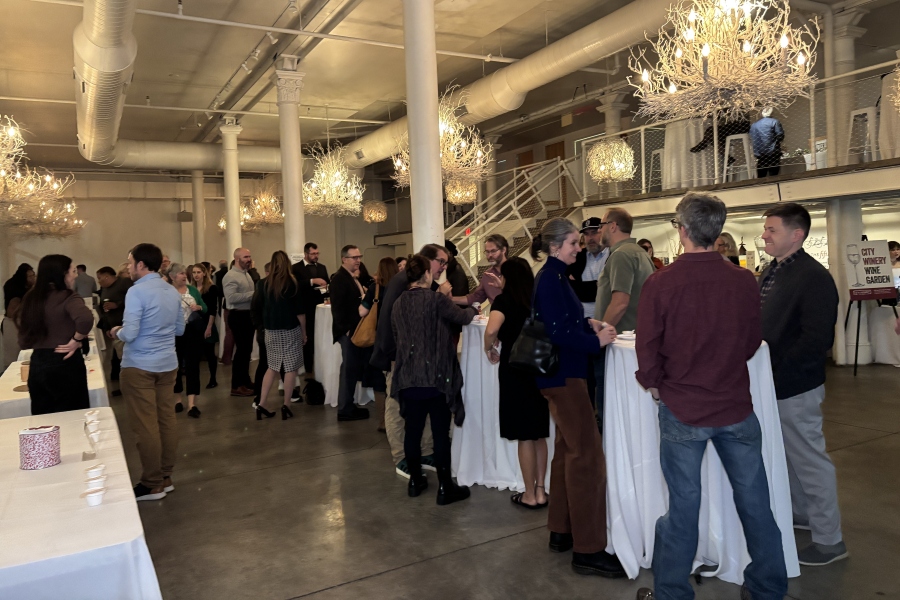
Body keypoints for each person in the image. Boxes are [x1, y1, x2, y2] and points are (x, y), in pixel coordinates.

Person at [634, 192, 787, 600]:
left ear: (682, 230)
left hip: (683, 408)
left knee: (684, 506)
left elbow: (647, 347)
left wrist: (654, 382)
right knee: (755, 502)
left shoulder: (660, 282)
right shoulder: (742, 280)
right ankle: (768, 588)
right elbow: (751, 341)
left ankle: (671, 592)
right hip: (734, 404)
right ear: (717, 232)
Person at [529, 218, 622, 578]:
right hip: (565, 376)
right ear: (555, 246)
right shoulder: (551, 279)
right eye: (572, 243)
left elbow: (563, 323)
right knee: (587, 458)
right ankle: (589, 549)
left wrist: (588, 326)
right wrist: (593, 341)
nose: (578, 248)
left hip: (560, 375)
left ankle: (562, 530)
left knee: (568, 452)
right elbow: (555, 332)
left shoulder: (554, 276)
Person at [759, 202, 846, 566]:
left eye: (772, 230)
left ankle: (830, 540)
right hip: (772, 383)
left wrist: (778, 371)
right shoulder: (773, 271)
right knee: (790, 456)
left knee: (809, 460)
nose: (764, 235)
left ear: (796, 235)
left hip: (795, 385)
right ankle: (804, 514)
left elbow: (816, 339)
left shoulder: (813, 277)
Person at [391, 254, 477, 505]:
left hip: (408, 377)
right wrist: (474, 308)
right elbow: (462, 318)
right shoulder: (436, 299)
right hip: (436, 378)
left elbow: (398, 337)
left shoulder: (398, 303)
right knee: (440, 433)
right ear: (427, 274)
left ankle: (415, 482)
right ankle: (445, 487)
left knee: (412, 431)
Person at [110, 243, 184, 501]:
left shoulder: (136, 291)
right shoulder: (171, 290)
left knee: (146, 425)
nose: (129, 267)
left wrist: (116, 331)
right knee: (166, 420)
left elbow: (130, 333)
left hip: (139, 365)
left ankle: (152, 483)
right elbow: (180, 329)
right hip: (167, 364)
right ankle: (165, 476)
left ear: (141, 264)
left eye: (131, 263)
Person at [372, 244, 452, 477]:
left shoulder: (427, 284)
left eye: (446, 263)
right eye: (441, 262)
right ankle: (400, 457)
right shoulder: (401, 281)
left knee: (423, 406)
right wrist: (394, 356)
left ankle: (424, 452)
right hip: (398, 357)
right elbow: (388, 322)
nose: (443, 268)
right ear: (427, 261)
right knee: (396, 406)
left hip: (418, 360)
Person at [484, 257, 549, 510]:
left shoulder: (504, 300)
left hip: (514, 370)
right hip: (539, 368)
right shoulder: (537, 300)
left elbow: (491, 329)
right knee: (539, 433)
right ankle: (541, 491)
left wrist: (488, 347)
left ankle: (529, 494)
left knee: (524, 435)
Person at [593, 207, 655, 430]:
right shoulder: (640, 253)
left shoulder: (621, 255)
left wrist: (601, 332)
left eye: (601, 226)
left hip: (618, 343)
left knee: (610, 410)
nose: (599, 231)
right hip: (634, 343)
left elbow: (620, 302)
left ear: (612, 226)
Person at [16, 255, 93, 415]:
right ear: (62, 273)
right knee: (73, 416)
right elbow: (85, 318)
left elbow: (21, 328)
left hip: (38, 361)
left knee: (43, 417)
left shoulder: (31, 297)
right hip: (65, 360)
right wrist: (76, 339)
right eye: (72, 271)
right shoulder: (67, 296)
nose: (75, 276)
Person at [252, 251, 307, 421]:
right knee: (291, 368)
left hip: (270, 330)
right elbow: (300, 312)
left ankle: (262, 403)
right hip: (290, 329)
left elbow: (258, 307)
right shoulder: (292, 283)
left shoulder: (263, 284)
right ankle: (286, 405)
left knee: (272, 367)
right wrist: (304, 332)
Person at [330, 245, 372, 422]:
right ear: (344, 259)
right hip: (349, 332)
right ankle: (345, 409)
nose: (358, 260)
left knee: (351, 369)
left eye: (359, 256)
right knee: (349, 370)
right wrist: (347, 330)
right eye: (354, 257)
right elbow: (338, 309)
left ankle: (348, 405)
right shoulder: (340, 279)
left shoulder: (351, 277)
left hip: (354, 330)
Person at [359, 257, 399, 432]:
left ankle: (383, 421)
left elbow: (362, 311)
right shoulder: (401, 287)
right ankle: (397, 419)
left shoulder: (375, 288)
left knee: (378, 383)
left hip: (377, 339)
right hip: (397, 339)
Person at [169, 263, 207, 418]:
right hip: (174, 333)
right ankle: (177, 399)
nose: (184, 276)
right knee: (175, 366)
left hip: (192, 332)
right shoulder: (167, 292)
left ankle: (192, 403)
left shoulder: (192, 290)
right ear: (172, 276)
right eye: (181, 273)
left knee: (193, 366)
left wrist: (199, 307)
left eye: (185, 273)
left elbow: (205, 307)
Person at [222, 248, 256, 397]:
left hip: (247, 315)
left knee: (246, 350)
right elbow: (231, 298)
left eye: (249, 256)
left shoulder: (246, 274)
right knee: (241, 351)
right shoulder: (230, 276)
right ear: (237, 259)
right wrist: (254, 294)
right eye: (245, 257)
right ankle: (236, 385)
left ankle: (245, 380)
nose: (249, 259)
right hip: (238, 316)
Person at [293, 242, 329, 375]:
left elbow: (327, 282)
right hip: (304, 307)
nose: (316, 256)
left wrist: (326, 288)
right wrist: (312, 281)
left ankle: (320, 363)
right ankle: (308, 367)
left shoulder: (322, 267)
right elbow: (294, 285)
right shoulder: (296, 268)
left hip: (320, 306)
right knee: (307, 336)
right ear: (306, 254)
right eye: (313, 253)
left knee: (320, 335)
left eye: (317, 253)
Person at [96, 265, 132, 395]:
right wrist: (106, 326)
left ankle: (130, 387)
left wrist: (117, 304)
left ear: (107, 276)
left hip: (125, 327)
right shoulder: (104, 289)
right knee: (121, 360)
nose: (98, 281)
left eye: (100, 278)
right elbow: (103, 308)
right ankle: (125, 387)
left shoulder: (124, 283)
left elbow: (132, 300)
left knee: (128, 360)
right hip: (114, 329)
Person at [566, 218, 609, 320]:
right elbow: (569, 288)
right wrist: (598, 285)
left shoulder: (613, 255)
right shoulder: (577, 257)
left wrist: (580, 286)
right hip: (583, 320)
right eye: (586, 234)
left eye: (594, 233)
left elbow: (610, 291)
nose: (590, 238)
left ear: (603, 232)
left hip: (609, 319)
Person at [452, 234, 508, 307]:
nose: (490, 255)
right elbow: (476, 297)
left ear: (503, 250)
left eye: (493, 251)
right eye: (487, 252)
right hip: (496, 313)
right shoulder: (487, 275)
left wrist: (503, 287)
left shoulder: (518, 270)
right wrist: (450, 299)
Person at [2, 263, 35, 370]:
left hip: (21, 322)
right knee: (14, 357)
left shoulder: (27, 288)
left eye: (33, 275)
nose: (33, 278)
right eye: (30, 276)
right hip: (13, 323)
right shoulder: (15, 288)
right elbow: (12, 311)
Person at [190, 264, 219, 389]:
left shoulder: (211, 288)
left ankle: (213, 378)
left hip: (207, 322)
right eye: (194, 272)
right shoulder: (191, 289)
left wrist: (209, 327)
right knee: (195, 354)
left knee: (210, 353)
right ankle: (195, 380)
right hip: (195, 324)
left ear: (204, 273)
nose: (196, 275)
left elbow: (212, 310)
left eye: (198, 272)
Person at [749, 107, 785, 178]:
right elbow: (780, 135)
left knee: (761, 176)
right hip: (773, 153)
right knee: (774, 176)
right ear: (772, 113)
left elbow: (751, 137)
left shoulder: (754, 125)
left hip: (760, 155)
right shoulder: (774, 122)